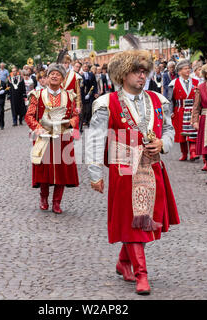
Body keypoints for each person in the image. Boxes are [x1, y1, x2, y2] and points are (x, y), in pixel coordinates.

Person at [86, 50, 179, 295]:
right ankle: (142, 275)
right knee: (134, 221)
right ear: (122, 74)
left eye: (144, 71)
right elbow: (95, 139)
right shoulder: (107, 103)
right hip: (123, 167)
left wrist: (163, 144)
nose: (142, 75)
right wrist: (95, 172)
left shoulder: (159, 100)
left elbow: (170, 130)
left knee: (146, 221)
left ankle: (124, 261)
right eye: (136, 71)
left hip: (152, 166)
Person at [24, 63, 79, 214]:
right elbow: (29, 115)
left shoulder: (69, 96)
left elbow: (75, 115)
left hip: (62, 138)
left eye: (58, 74)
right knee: (44, 170)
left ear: (62, 78)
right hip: (43, 137)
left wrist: (71, 123)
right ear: (47, 78)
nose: (54, 76)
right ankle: (43, 198)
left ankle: (57, 202)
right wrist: (38, 128)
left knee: (61, 170)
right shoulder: (37, 95)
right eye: (51, 74)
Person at [168, 59, 200, 161]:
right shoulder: (174, 83)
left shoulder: (196, 82)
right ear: (179, 71)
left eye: (188, 68)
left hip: (193, 110)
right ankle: (184, 153)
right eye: (185, 69)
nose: (188, 71)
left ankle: (193, 152)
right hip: (179, 110)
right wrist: (171, 112)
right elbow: (170, 99)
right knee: (181, 133)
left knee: (193, 131)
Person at [80, 63, 98, 132]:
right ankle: (83, 122)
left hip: (90, 93)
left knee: (90, 108)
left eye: (87, 66)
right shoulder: (80, 75)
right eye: (84, 66)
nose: (85, 68)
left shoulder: (91, 75)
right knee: (83, 109)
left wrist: (95, 92)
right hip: (82, 94)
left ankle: (88, 121)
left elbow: (94, 84)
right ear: (82, 67)